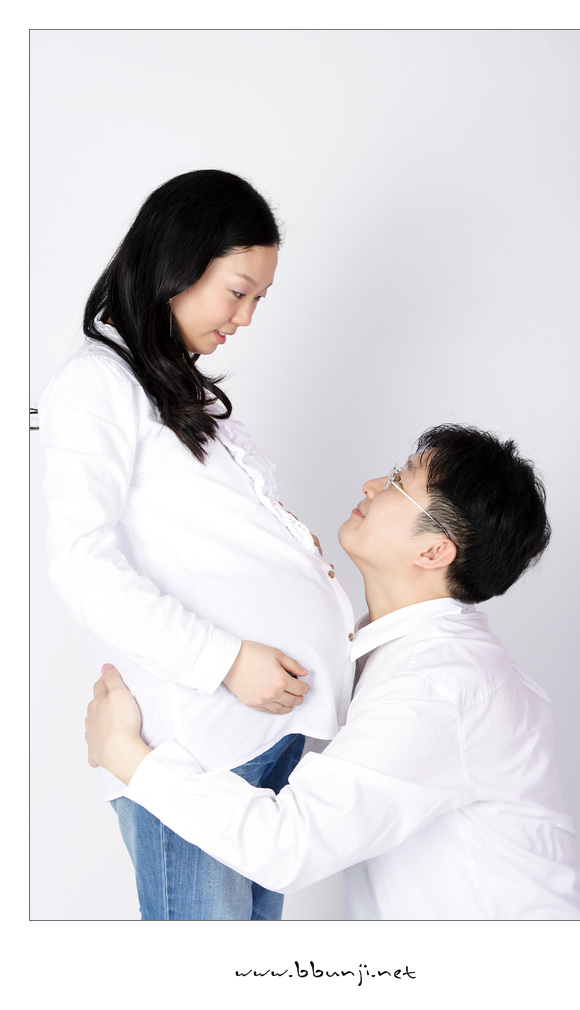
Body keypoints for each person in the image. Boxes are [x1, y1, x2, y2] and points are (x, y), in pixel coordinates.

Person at [85, 424, 580, 920]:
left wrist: (130, 758)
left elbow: (287, 846)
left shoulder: (440, 686)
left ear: (434, 551)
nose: (372, 485)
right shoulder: (395, 651)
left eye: (398, 481)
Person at [39, 170, 355, 921]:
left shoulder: (179, 390)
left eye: (259, 300)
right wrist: (224, 661)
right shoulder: (97, 384)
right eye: (237, 292)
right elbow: (80, 562)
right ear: (176, 266)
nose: (245, 318)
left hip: (262, 742)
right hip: (197, 751)